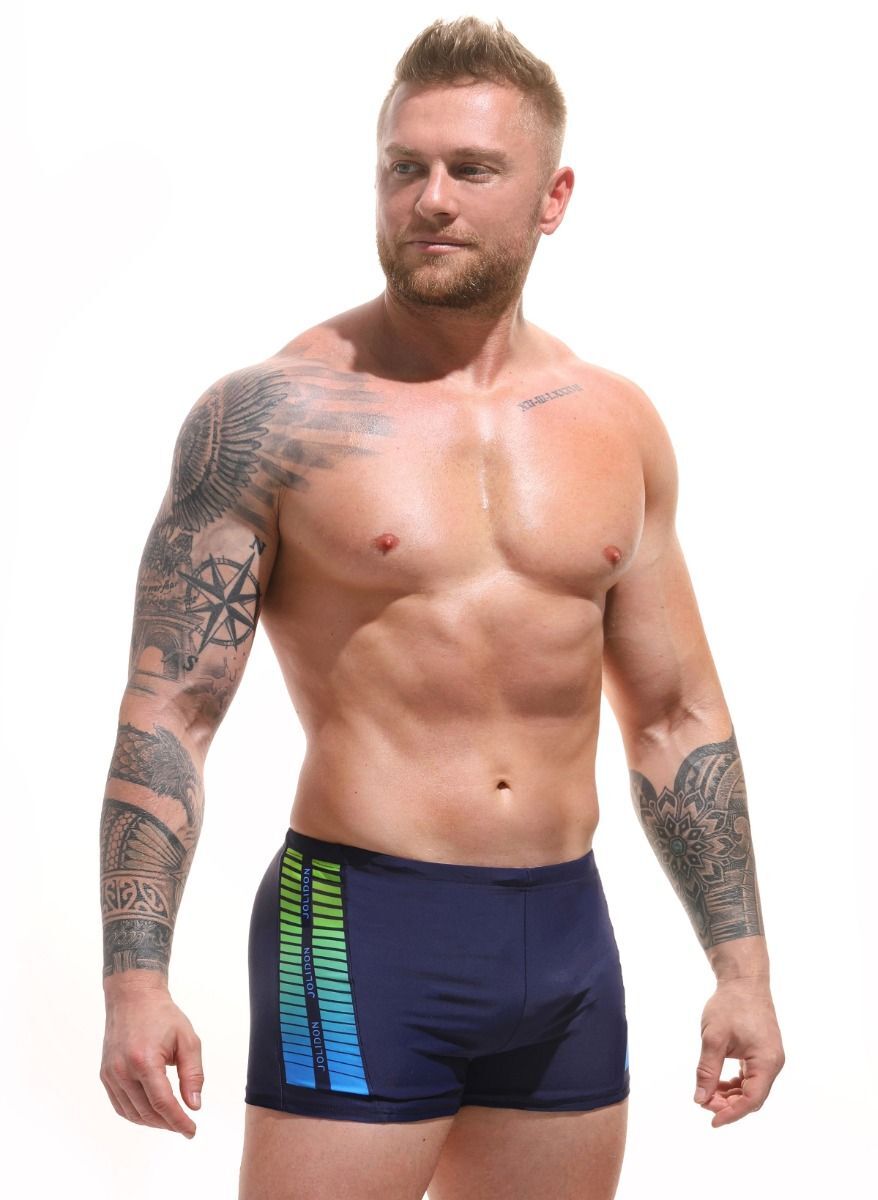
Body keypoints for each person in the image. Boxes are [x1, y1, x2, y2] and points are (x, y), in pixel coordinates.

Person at [98, 15, 785, 1200]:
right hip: (359, 928)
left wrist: (741, 971)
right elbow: (171, 711)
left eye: (471, 170)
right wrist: (133, 982)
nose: (430, 199)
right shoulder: (271, 416)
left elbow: (675, 716)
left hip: (564, 939)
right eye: (403, 167)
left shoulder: (613, 422)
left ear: (551, 196)